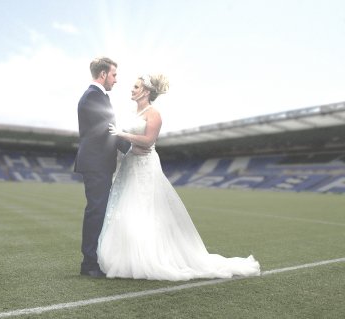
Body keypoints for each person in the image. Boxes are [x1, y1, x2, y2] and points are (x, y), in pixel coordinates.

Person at [98, 74, 260, 281]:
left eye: (135, 86)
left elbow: (148, 141)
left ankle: (150, 257)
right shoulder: (133, 112)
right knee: (127, 209)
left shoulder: (154, 114)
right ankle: (128, 257)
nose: (131, 89)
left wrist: (122, 135)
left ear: (146, 91)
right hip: (130, 165)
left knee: (145, 209)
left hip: (146, 167)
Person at [74, 57, 132, 278]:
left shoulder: (96, 96)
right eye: (114, 75)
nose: (116, 80)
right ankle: (89, 263)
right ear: (103, 74)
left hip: (98, 162)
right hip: (96, 163)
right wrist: (131, 148)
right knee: (96, 211)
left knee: (99, 211)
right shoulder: (93, 97)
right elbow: (109, 130)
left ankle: (93, 259)